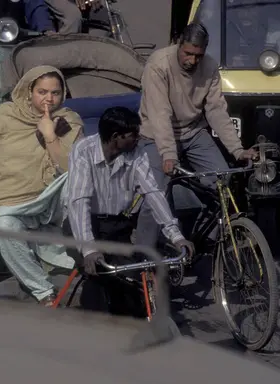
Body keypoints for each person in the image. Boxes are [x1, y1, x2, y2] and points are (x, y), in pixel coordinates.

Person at [0, 66, 83, 306]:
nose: (49, 99)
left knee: (75, 181)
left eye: (55, 93)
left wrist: (50, 136)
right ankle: (44, 292)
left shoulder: (69, 121)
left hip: (52, 204)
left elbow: (73, 171)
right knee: (3, 223)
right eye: (42, 92)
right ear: (29, 92)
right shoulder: (5, 115)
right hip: (8, 201)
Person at [135, 23, 257, 250]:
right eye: (188, 53)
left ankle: (206, 238)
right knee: (156, 193)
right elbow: (160, 113)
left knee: (222, 179)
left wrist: (237, 149)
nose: (192, 60)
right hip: (155, 135)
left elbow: (216, 110)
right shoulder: (158, 64)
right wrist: (168, 153)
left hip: (193, 132)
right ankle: (144, 253)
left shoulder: (209, 67)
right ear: (178, 44)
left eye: (198, 55)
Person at [67, 106, 194, 316]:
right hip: (81, 226)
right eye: (133, 135)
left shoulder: (137, 153)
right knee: (97, 281)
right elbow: (79, 202)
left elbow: (153, 193)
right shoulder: (83, 151)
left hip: (116, 227)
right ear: (116, 137)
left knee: (129, 292)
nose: (138, 138)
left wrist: (176, 236)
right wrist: (88, 249)